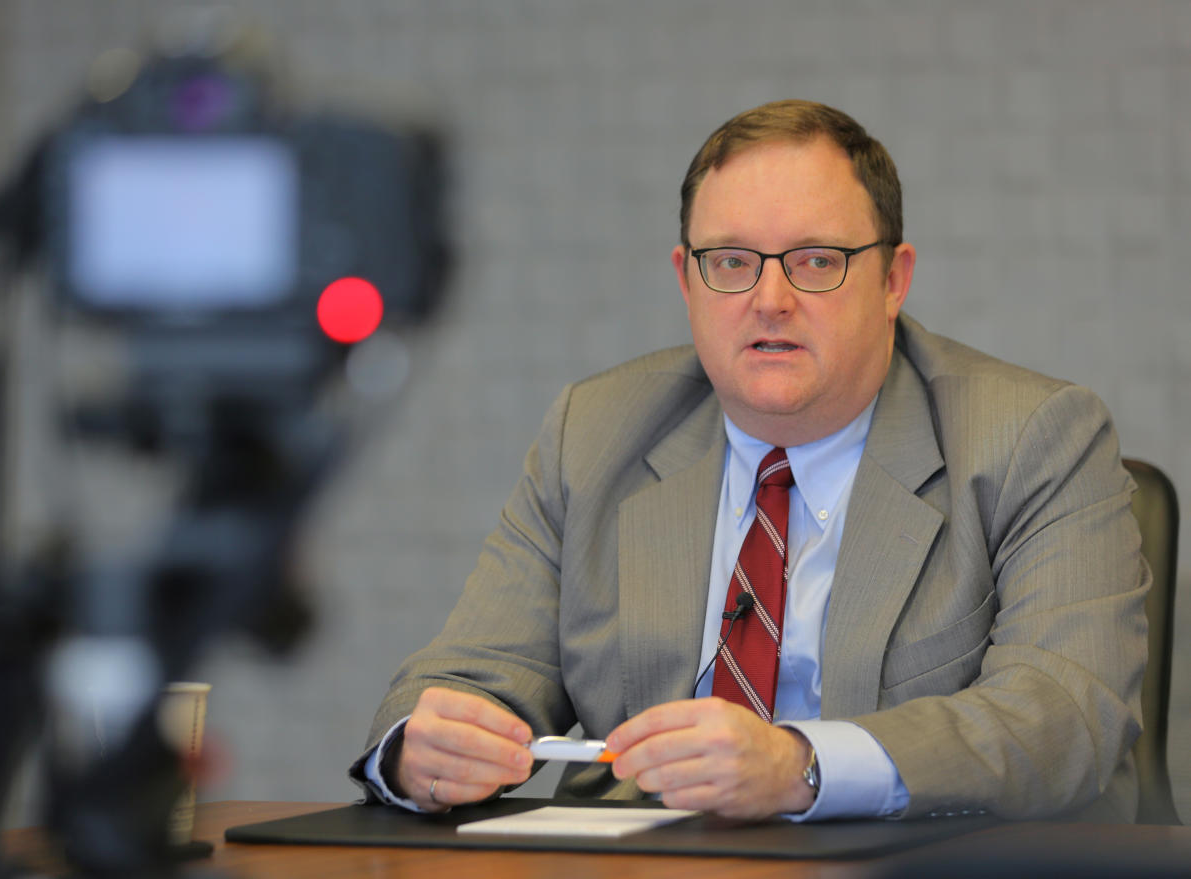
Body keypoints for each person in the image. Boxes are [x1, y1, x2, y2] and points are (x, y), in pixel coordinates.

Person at [350, 100, 1149, 822]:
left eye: (815, 259)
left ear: (893, 279)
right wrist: (420, 747)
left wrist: (801, 765)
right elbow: (469, 673)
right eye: (731, 262)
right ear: (687, 281)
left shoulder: (1034, 436)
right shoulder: (594, 434)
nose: (770, 298)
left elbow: (1064, 714)